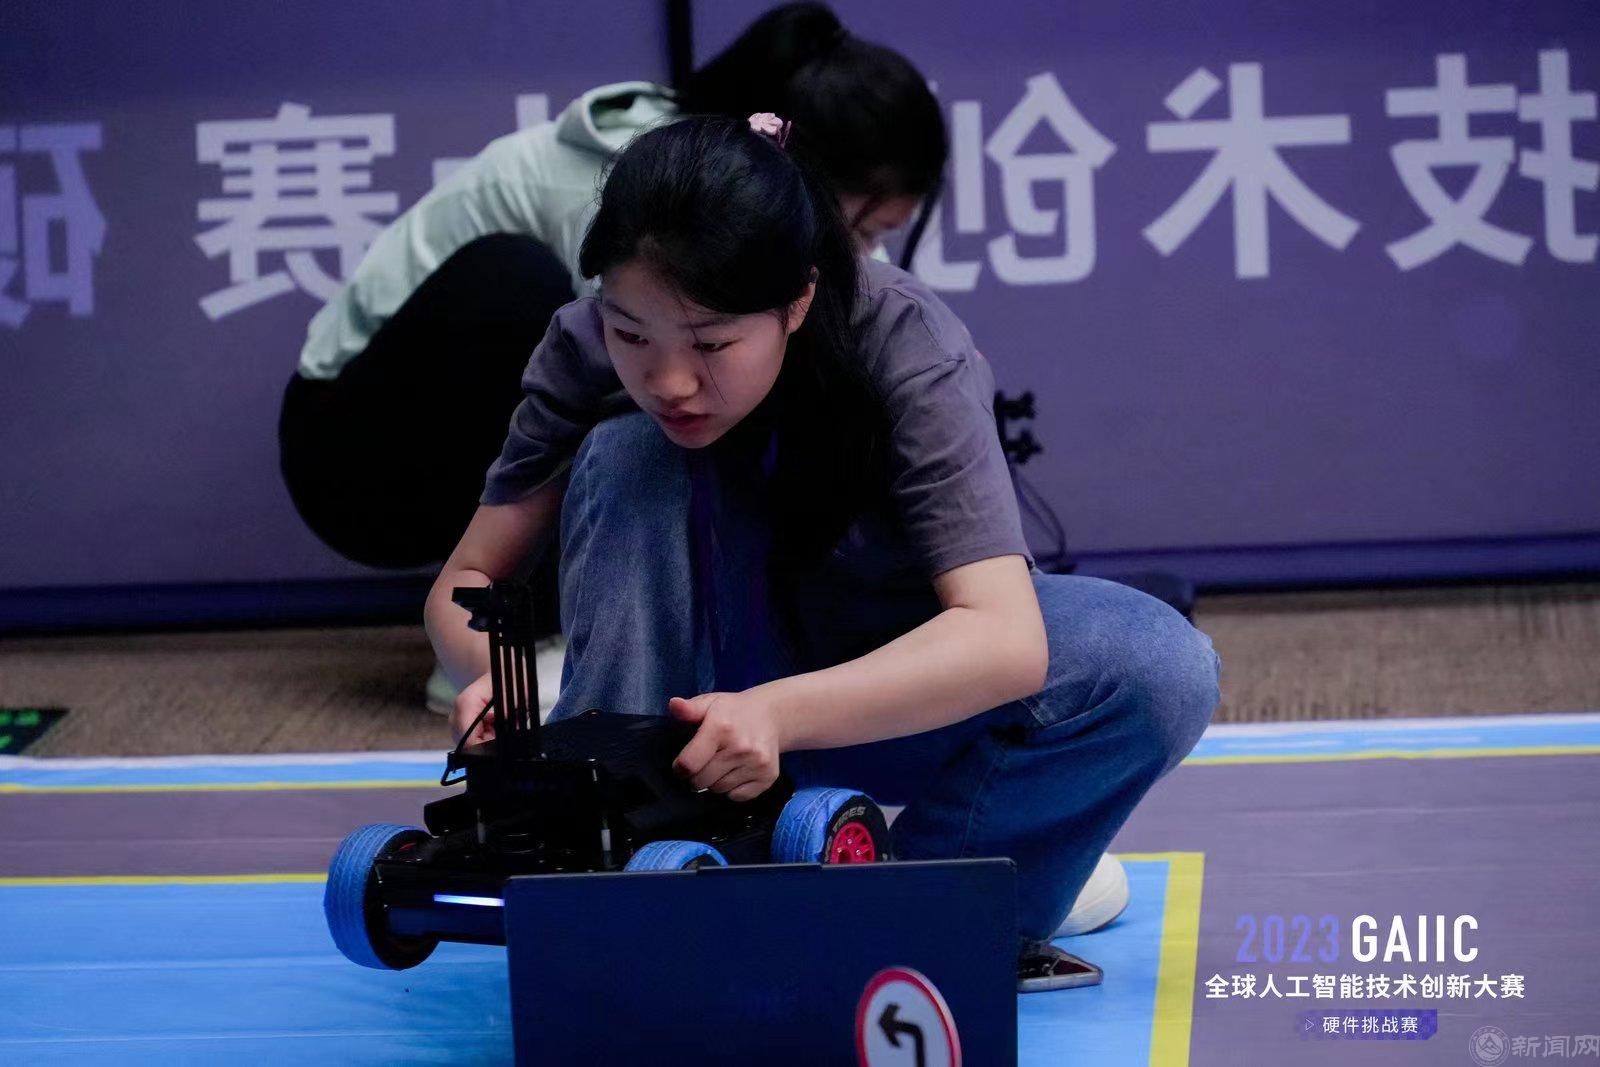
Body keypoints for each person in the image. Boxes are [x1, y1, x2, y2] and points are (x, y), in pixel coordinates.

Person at [424, 113, 1222, 989]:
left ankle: (926, 898)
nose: (670, 380)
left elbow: (1003, 637)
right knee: (630, 452)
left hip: (873, 684)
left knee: (1157, 665)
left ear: (797, 302)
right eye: (633, 335)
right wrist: (494, 686)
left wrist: (776, 713)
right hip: (683, 722)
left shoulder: (904, 342)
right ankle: (616, 872)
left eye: (713, 342)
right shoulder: (584, 347)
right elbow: (468, 580)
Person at [278, 2, 941, 578]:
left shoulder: (736, 193)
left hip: (436, 435)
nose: (863, 256)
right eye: (863, 230)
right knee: (634, 389)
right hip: (359, 452)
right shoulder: (649, 197)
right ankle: (513, 625)